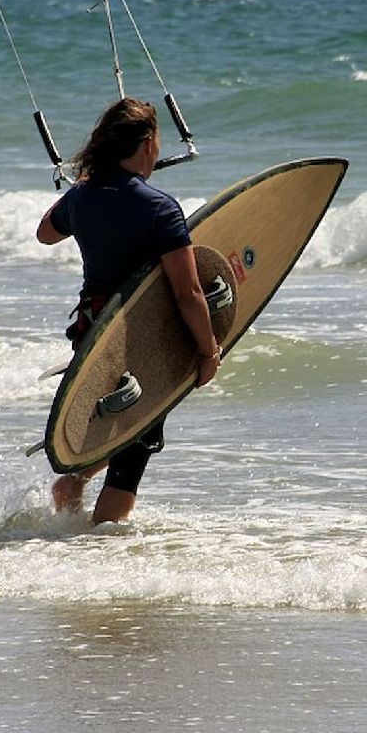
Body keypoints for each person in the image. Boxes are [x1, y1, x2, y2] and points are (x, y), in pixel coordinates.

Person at [36, 97, 220, 524]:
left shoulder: (81, 198)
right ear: (149, 144)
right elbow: (189, 292)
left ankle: (72, 496)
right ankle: (101, 548)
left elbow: (45, 233)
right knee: (134, 451)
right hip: (141, 342)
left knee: (119, 428)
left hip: (93, 334)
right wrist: (208, 351)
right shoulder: (159, 208)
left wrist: (80, 187)